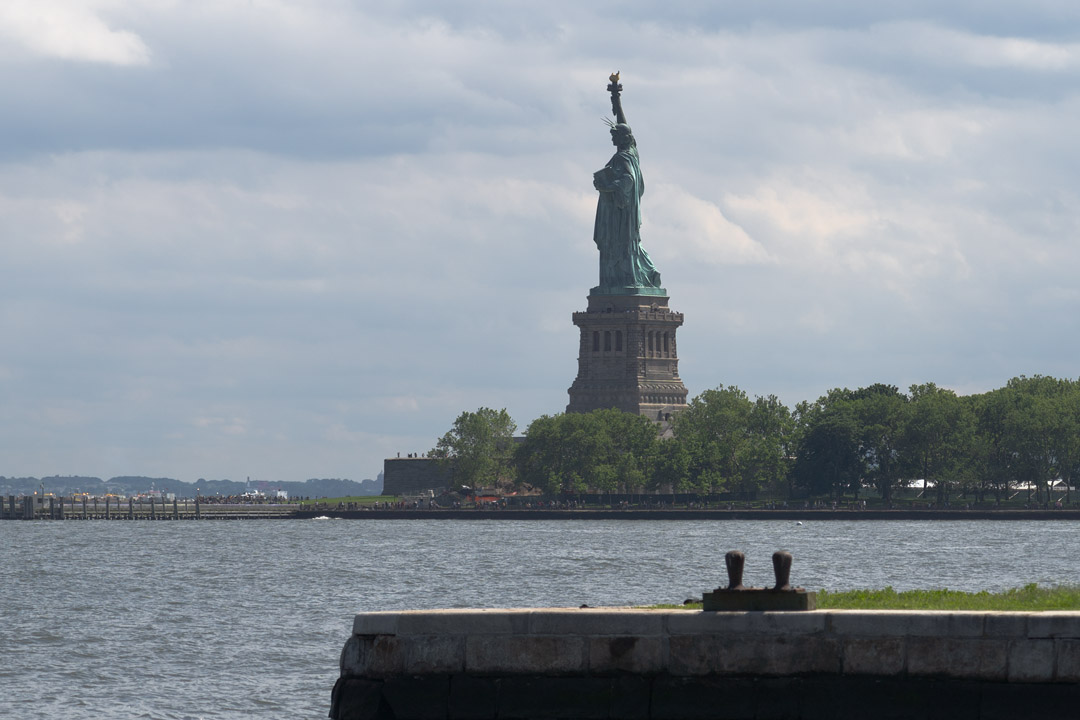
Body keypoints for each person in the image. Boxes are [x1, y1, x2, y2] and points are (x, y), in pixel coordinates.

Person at [592, 77, 662, 293]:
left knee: (619, 244)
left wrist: (606, 186)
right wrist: (616, 98)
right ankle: (630, 277)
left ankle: (624, 278)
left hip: (621, 213)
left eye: (615, 137)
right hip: (620, 210)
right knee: (622, 244)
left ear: (623, 138)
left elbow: (628, 181)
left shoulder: (624, 157)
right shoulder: (632, 152)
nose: (612, 140)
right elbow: (624, 124)